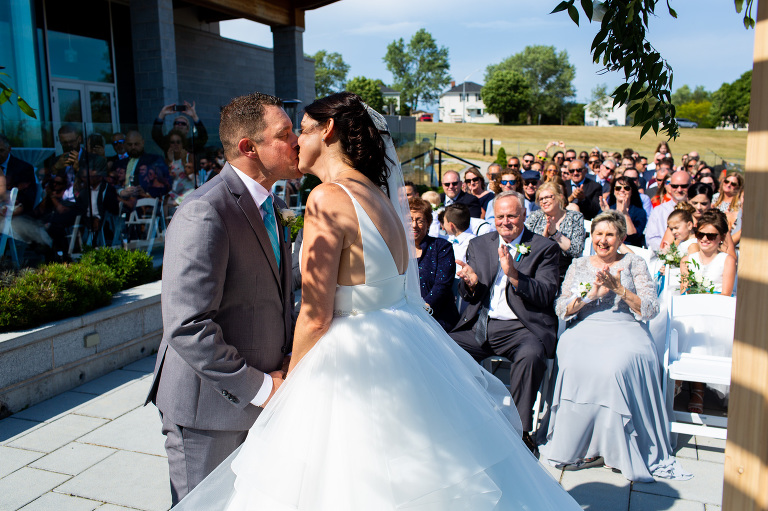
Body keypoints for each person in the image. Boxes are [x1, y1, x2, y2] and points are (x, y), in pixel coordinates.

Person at [179, 92, 581, 510]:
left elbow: (316, 316)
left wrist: (289, 387)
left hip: (351, 360)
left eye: (301, 129)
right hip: (404, 344)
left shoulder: (327, 198)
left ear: (328, 130)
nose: (297, 141)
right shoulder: (381, 198)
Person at [145, 92, 299, 505]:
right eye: (285, 133)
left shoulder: (274, 206)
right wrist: (263, 387)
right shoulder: (204, 211)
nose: (298, 140)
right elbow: (187, 324)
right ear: (249, 147)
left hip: (262, 399)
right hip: (208, 410)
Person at [538, 211, 691, 482]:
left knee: (616, 366)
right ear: (591, 237)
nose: (603, 240)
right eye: (598, 234)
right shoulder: (579, 264)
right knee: (574, 361)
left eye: (610, 234)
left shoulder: (634, 263)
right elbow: (562, 309)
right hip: (585, 327)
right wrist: (590, 295)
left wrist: (621, 290)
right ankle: (581, 445)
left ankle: (617, 446)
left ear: (621, 238)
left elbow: (650, 309)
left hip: (625, 327)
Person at [450, 191, 561, 452]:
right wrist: (470, 284)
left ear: (524, 215)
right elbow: (469, 293)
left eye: (512, 215)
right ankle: (460, 420)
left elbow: (546, 294)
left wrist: (515, 276)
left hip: (523, 327)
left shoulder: (544, 248)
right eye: (500, 216)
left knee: (531, 356)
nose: (505, 221)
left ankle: (519, 432)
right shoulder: (480, 244)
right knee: (446, 349)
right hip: (482, 323)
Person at [679, 209, 737, 414]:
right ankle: (684, 383)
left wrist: (704, 300)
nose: (704, 239)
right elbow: (684, 291)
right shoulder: (687, 260)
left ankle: (697, 389)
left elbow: (726, 294)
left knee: (701, 323)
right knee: (682, 320)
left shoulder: (727, 260)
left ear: (720, 237)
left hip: (717, 314)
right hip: (692, 310)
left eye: (711, 236)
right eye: (700, 234)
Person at [409, 197, 460, 331]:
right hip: (406, 315)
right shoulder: (398, 250)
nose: (414, 225)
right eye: (409, 220)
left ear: (428, 223)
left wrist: (423, 310)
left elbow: (442, 286)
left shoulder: (441, 247)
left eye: (419, 220)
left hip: (436, 317)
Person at [525, 181, 586, 283]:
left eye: (548, 197)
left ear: (560, 197)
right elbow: (526, 246)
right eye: (541, 199)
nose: (544, 201)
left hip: (565, 272)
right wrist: (544, 238)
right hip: (537, 269)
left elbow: (576, 250)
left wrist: (555, 234)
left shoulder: (575, 217)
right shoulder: (534, 217)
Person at [113, 131, 172, 197]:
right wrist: (121, 192)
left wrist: (147, 193)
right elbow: (111, 184)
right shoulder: (119, 164)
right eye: (130, 144)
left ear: (142, 143)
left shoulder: (154, 160)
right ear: (125, 145)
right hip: (122, 203)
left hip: (146, 202)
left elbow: (165, 184)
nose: (133, 147)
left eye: (136, 144)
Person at [646, 170, 691, 250]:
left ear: (690, 186)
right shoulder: (659, 211)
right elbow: (651, 239)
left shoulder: (696, 210)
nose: (679, 190)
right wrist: (669, 249)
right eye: (675, 186)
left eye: (684, 186)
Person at [601, 175, 647, 247]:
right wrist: (607, 214)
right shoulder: (608, 209)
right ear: (614, 191)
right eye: (618, 188)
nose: (622, 190)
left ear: (632, 191)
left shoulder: (639, 212)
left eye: (626, 188)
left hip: (629, 249)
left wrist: (625, 213)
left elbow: (633, 236)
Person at [0, 133, 37, 219]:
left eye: (1, 150)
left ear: (9, 149)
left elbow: (28, 198)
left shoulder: (23, 168)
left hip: (14, 214)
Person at [443, 203, 475, 271]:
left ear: (451, 225)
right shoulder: (451, 239)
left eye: (444, 222)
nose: (443, 226)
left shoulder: (472, 244)